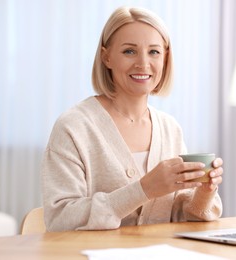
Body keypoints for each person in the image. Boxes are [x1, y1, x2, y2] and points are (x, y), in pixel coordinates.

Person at [41, 6, 223, 231]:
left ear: (165, 58)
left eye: (154, 52)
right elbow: (60, 219)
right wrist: (143, 189)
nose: (143, 63)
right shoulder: (74, 127)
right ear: (106, 57)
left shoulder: (170, 128)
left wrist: (203, 193)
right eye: (129, 51)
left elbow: (176, 214)